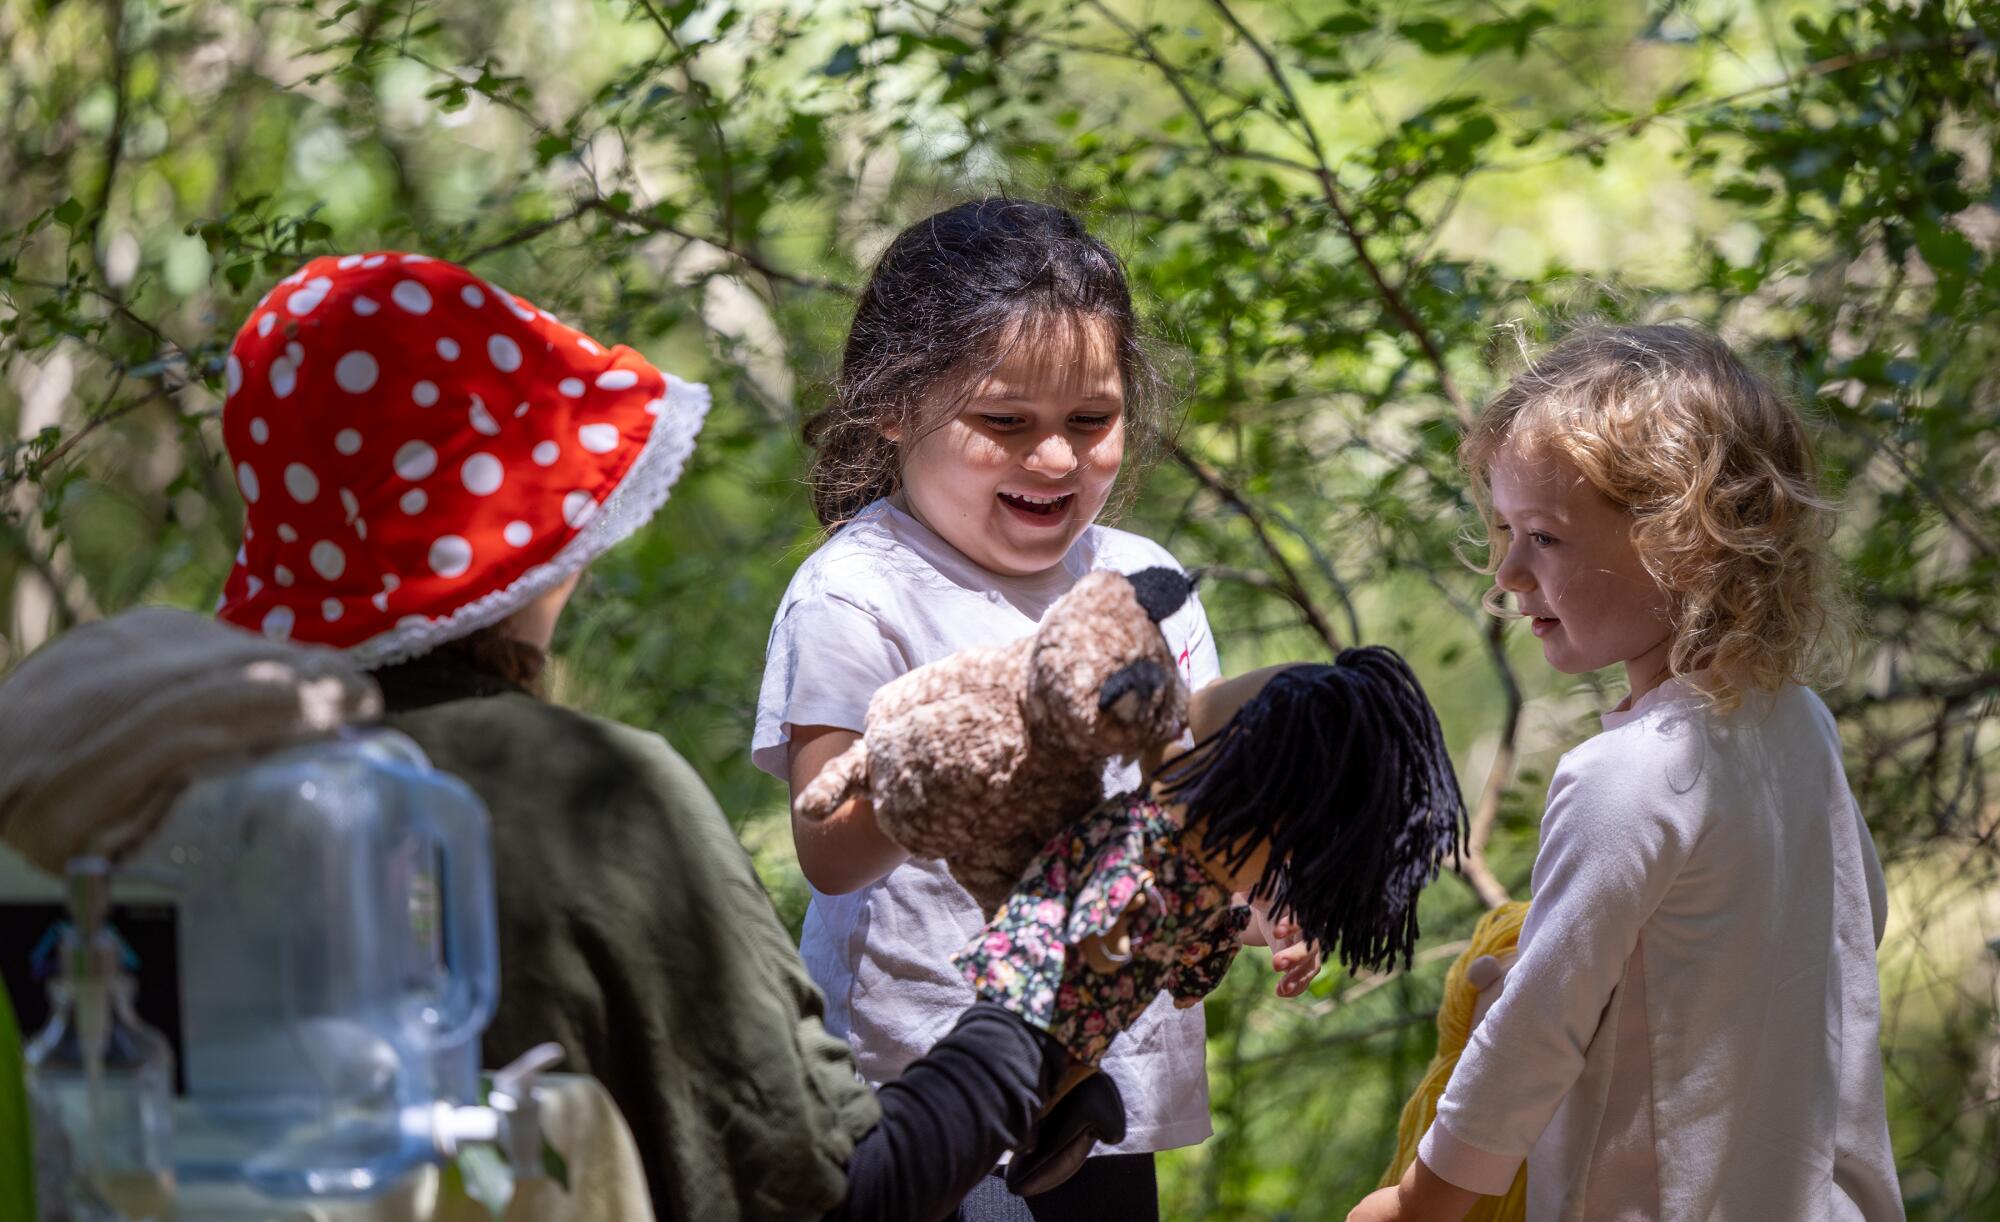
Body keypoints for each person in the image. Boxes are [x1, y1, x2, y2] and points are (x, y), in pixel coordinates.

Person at [212, 251, 1078, 1222]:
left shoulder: (180, 778)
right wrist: (1036, 993)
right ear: (535, 541)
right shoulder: (592, 799)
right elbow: (823, 1186)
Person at [754, 197, 1320, 1219]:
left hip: (1106, 1077)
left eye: (1089, 422)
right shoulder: (857, 587)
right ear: (892, 406)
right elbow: (827, 848)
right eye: (1004, 422)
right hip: (917, 1090)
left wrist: (1260, 893)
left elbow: (1187, 808)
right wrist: (991, 733)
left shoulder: (1139, 579)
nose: (1054, 459)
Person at [1350, 326, 1903, 1221]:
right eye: (1503, 531)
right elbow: (1853, 919)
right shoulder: (1796, 721)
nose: (1509, 574)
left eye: (1545, 538)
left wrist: (1422, 1201)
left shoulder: (1625, 777)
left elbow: (1531, 1042)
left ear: (1686, 543)